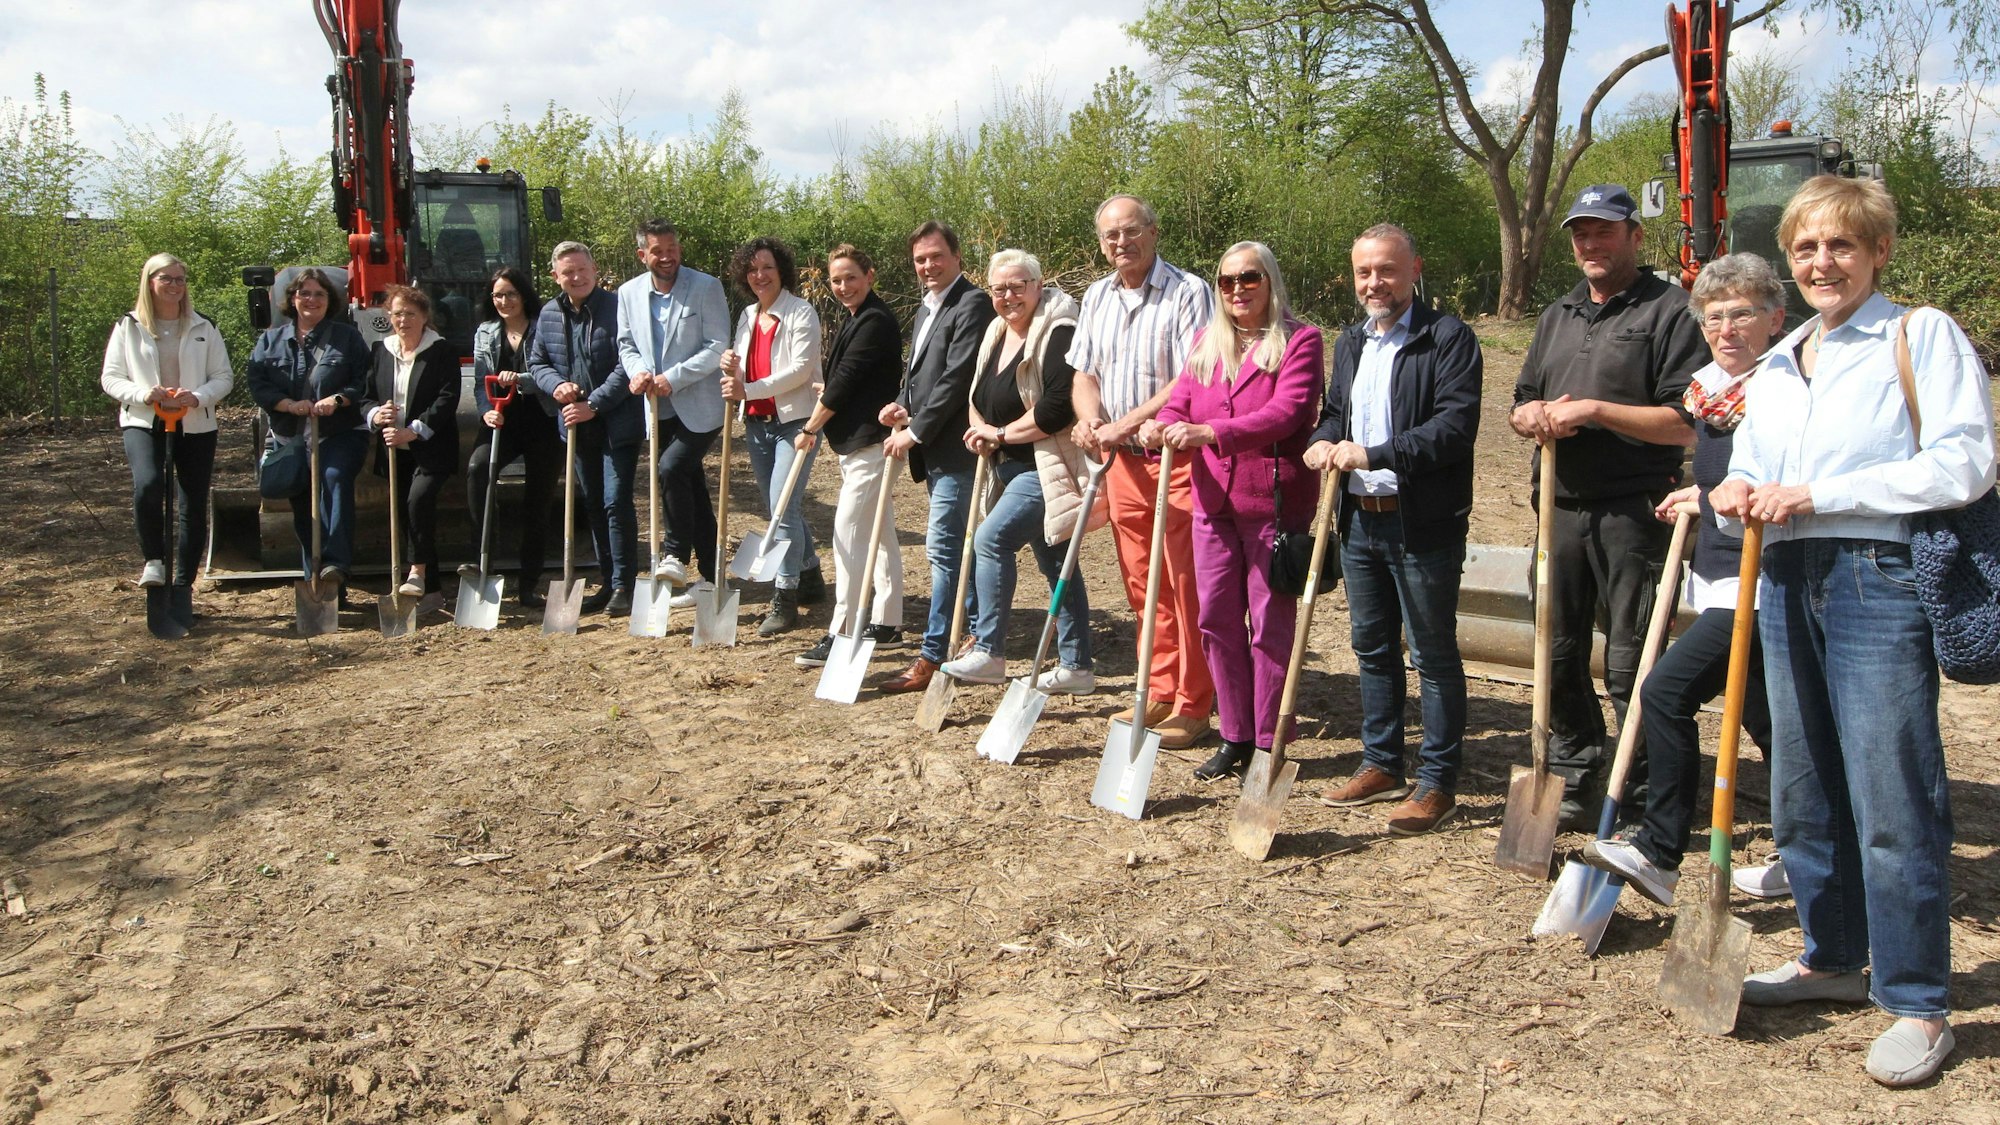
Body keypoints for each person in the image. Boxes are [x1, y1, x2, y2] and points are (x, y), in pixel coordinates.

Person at [1710, 176, 1996, 1087]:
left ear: (1877, 251)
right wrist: (1733, 490)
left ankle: (1917, 998)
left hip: (1879, 578)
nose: (1821, 263)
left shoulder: (1922, 335)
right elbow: (1755, 460)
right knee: (1803, 787)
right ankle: (1832, 955)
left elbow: (1965, 459)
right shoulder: (1784, 355)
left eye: (1841, 246)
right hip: (1785, 574)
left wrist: (1823, 494)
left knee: (1891, 793)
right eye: (1806, 248)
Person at [1579, 252, 1781, 903]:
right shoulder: (1711, 388)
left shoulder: (1783, 390)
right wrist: (1701, 492)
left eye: (1742, 313)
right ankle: (1810, 851)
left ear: (1775, 319)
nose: (1727, 327)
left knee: (1664, 692)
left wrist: (1720, 493)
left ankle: (1661, 851)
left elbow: (1777, 477)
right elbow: (1727, 468)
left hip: (1766, 580)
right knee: (1774, 723)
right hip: (1721, 571)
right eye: (1715, 315)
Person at [1509, 184, 1706, 826]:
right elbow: (1522, 398)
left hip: (1637, 512)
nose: (1591, 244)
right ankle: (1576, 770)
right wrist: (1529, 415)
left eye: (1605, 231)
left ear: (1634, 236)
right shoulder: (1557, 315)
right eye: (1581, 234)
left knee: (1631, 659)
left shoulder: (1671, 311)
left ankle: (1644, 790)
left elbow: (1685, 421)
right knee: (1557, 650)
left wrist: (1594, 411)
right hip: (1560, 505)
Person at [1306, 224, 1482, 834]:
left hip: (1422, 523)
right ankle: (1382, 762)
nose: (1374, 282)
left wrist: (1373, 454)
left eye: (1386, 270)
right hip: (1358, 521)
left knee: (1432, 654)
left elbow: (1452, 429)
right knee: (1372, 648)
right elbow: (1335, 412)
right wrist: (1323, 441)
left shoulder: (1448, 339)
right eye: (1363, 272)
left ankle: (1437, 782)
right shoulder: (1352, 340)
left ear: (1414, 270)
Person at [1145, 241, 1322, 779]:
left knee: (1269, 624)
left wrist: (1211, 432)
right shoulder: (1207, 341)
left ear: (1269, 281)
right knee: (1217, 620)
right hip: (1212, 503)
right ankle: (1234, 735)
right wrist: (1161, 426)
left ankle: (1270, 740)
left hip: (1272, 504)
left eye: (1249, 278)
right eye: (1227, 281)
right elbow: (1179, 401)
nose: (1238, 289)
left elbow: (1287, 413)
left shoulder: (1299, 340)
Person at [1068, 194, 1216, 750]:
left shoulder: (1188, 292)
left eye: (1131, 232)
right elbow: (1084, 372)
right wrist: (1091, 421)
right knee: (1141, 582)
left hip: (1174, 461)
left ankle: (1194, 702)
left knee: (1184, 582)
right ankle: (1155, 689)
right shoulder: (1097, 296)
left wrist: (1123, 422)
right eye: (1110, 236)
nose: (1121, 243)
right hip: (1122, 464)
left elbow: (1191, 379)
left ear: (1154, 232)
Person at [939, 250, 1096, 691]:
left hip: (1046, 467)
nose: (1008, 296)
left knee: (990, 542)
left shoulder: (1058, 331)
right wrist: (978, 430)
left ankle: (989, 651)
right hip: (1005, 466)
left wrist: (1001, 434)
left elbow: (1056, 408)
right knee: (1058, 563)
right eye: (999, 288)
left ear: (1038, 285)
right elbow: (977, 394)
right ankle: (1078, 666)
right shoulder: (996, 331)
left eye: (1018, 286)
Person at [878, 222, 997, 692]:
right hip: (937, 451)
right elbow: (923, 374)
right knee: (954, 550)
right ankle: (966, 637)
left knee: (945, 551)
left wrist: (916, 433)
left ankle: (933, 653)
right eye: (920, 260)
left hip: (959, 449)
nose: (928, 266)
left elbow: (956, 376)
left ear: (957, 255)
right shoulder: (927, 307)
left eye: (935, 256)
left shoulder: (972, 303)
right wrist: (902, 403)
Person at [796, 244, 906, 668]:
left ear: (870, 276)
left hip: (872, 446)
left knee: (847, 533)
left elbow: (845, 381)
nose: (843, 286)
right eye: (836, 280)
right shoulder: (857, 317)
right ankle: (889, 621)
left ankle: (843, 627)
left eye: (851, 278)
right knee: (880, 532)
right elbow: (853, 379)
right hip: (860, 443)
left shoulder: (875, 320)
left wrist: (811, 426)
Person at [613, 218, 730, 605]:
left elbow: (717, 345)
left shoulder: (705, 286)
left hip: (701, 405)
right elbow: (626, 343)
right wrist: (638, 373)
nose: (667, 257)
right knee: (690, 486)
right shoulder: (628, 293)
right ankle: (714, 576)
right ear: (642, 254)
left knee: (671, 468)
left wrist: (674, 378)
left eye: (672, 248)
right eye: (657, 250)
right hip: (656, 407)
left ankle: (675, 554)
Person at [100, 253, 233, 592]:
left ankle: (184, 582)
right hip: (144, 421)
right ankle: (154, 562)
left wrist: (199, 396)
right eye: (166, 279)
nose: (174, 285)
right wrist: (144, 394)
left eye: (179, 279)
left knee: (192, 500)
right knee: (148, 485)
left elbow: (222, 377)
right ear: (150, 282)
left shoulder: (204, 325)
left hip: (195, 424)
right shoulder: (128, 326)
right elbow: (111, 377)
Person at [719, 236, 825, 636]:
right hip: (757, 425)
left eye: (767, 267)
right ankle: (811, 571)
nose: (759, 275)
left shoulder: (801, 312)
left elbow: (800, 369)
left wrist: (750, 388)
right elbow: (743, 366)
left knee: (781, 510)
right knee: (782, 508)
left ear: (782, 270)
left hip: (795, 424)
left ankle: (786, 595)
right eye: (752, 269)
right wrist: (729, 363)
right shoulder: (747, 315)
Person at [528, 241, 639, 617]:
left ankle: (625, 584)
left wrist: (594, 404)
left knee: (615, 502)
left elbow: (629, 365)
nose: (576, 277)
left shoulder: (617, 308)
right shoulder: (548, 314)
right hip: (575, 426)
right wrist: (556, 385)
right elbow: (538, 361)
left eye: (581, 269)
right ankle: (607, 582)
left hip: (616, 422)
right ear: (555, 276)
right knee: (592, 503)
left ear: (594, 270)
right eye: (567, 272)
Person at [246, 268, 373, 590]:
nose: (311, 300)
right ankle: (317, 578)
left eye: (319, 294)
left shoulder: (347, 337)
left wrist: (340, 399)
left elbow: (365, 379)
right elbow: (257, 383)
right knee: (303, 505)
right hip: (290, 436)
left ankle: (335, 563)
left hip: (339, 432)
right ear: (291, 299)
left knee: (333, 480)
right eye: (304, 293)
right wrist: (286, 404)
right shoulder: (270, 340)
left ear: (330, 301)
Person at [465, 266, 559, 608]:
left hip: (542, 420)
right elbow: (479, 381)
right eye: (497, 295)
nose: (504, 301)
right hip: (501, 421)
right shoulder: (485, 332)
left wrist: (521, 379)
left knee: (539, 499)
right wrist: (484, 410)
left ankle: (529, 583)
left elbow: (554, 373)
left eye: (510, 294)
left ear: (523, 295)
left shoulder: (544, 326)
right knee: (477, 469)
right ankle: (483, 558)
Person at [364, 285, 460, 607]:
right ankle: (431, 592)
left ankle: (416, 570)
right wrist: (377, 415)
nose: (403, 320)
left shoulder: (441, 351)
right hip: (393, 450)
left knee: (418, 501)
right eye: (397, 313)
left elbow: (447, 398)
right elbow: (366, 396)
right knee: (406, 514)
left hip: (432, 448)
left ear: (424, 317)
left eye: (410, 314)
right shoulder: (382, 351)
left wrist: (414, 431)